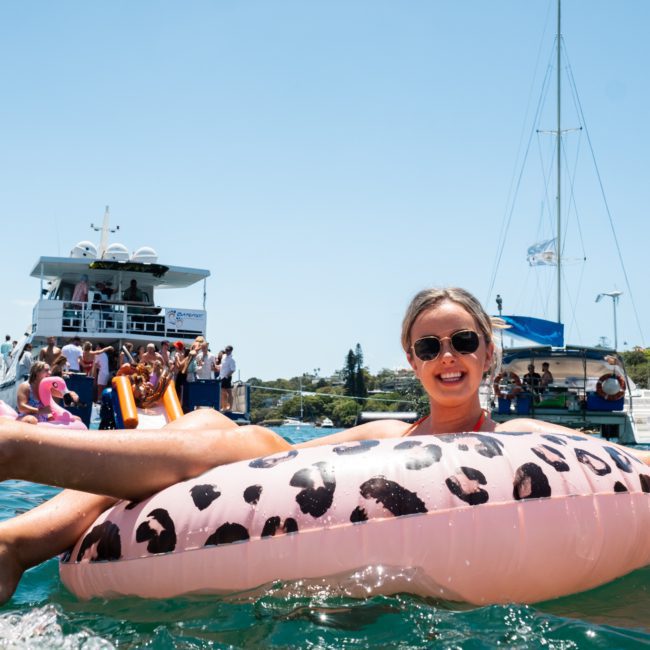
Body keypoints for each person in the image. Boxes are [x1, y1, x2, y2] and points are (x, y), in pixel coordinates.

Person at [0, 286, 647, 605]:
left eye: (462, 343)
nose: (447, 358)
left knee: (221, 433)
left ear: (489, 352)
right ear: (411, 361)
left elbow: (632, 469)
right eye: (429, 347)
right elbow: (274, 462)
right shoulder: (384, 437)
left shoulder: (522, 441)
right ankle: (18, 532)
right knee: (209, 427)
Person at [218, 345, 236, 411]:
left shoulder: (232, 359)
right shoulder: (223, 356)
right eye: (226, 350)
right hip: (221, 376)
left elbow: (233, 369)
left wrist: (227, 376)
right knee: (223, 393)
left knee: (229, 393)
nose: (227, 351)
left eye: (228, 350)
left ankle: (230, 408)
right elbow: (222, 365)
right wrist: (217, 366)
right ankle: (224, 407)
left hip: (227, 377)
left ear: (231, 351)